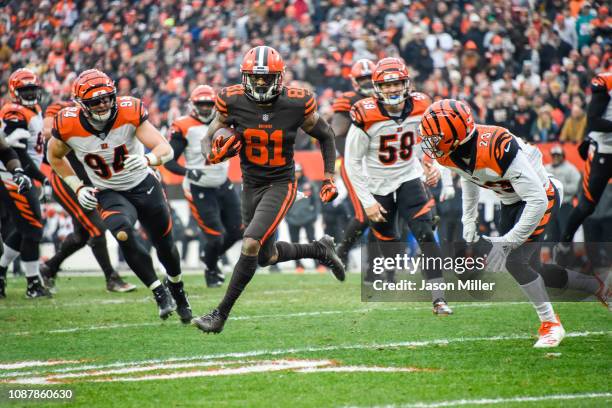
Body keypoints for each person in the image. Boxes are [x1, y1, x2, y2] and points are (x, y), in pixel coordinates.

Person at [418, 99, 609, 347]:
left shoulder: (497, 146)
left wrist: (510, 240)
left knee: (514, 261)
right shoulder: (450, 153)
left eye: (434, 136)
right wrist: (469, 218)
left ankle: (550, 324)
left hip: (541, 194)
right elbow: (468, 177)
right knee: (534, 271)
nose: (428, 142)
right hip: (510, 201)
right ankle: (597, 287)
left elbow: (538, 200)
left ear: (454, 136)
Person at [192, 46, 344, 334]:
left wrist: (328, 177)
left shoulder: (297, 103)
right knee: (265, 256)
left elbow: (325, 135)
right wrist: (210, 152)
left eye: (267, 78)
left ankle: (219, 315)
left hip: (281, 182)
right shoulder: (231, 99)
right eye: (255, 78)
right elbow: (209, 134)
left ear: (280, 77)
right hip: (251, 184)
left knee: (250, 242)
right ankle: (319, 249)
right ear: (246, 76)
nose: (260, 83)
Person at [46, 69, 192, 322]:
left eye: (107, 98)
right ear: (81, 105)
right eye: (95, 101)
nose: (103, 105)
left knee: (165, 245)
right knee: (122, 231)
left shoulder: (129, 111)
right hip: (108, 190)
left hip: (143, 184)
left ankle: (177, 288)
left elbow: (165, 149)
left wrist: (149, 159)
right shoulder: (67, 124)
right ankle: (158, 291)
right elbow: (54, 157)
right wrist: (78, 187)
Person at [344, 57, 455, 315]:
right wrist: (367, 201)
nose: (392, 89)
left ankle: (439, 298)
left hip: (409, 177)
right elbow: (352, 162)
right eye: (386, 84)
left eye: (397, 84)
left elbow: (431, 138)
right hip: (377, 184)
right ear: (377, 87)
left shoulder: (421, 104)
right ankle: (380, 278)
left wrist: (431, 162)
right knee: (390, 245)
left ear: (407, 84)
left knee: (425, 233)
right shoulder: (365, 114)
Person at [40, 99, 136, 293]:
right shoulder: (63, 109)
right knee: (97, 228)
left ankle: (48, 268)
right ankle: (112, 277)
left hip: (89, 180)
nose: (99, 105)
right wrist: (73, 126)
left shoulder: (105, 113)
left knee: (81, 236)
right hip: (68, 180)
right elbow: (48, 132)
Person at [165, 85, 242, 288]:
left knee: (237, 231)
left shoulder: (226, 122)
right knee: (215, 237)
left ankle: (209, 257)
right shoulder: (184, 125)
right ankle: (210, 269)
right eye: (202, 104)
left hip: (223, 183)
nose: (206, 108)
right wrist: (188, 172)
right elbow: (168, 160)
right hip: (198, 187)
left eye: (210, 104)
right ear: (193, 104)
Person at [0, 68, 49, 298]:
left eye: (32, 89)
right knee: (33, 228)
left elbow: (36, 148)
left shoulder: (34, 110)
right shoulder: (14, 112)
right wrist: (42, 177)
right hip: (12, 177)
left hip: (24, 175)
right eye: (25, 89)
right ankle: (32, 284)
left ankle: (0, 273)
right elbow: (16, 151)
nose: (30, 93)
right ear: (14, 91)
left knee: (24, 229)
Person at [557, 72, 612, 261]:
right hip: (603, 151)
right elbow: (594, 120)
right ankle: (564, 242)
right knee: (588, 205)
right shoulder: (606, 83)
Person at [330, 59, 377, 266]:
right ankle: (341, 252)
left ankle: (380, 262)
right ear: (354, 81)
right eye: (362, 79)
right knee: (363, 215)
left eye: (370, 77)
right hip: (355, 162)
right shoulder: (348, 100)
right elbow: (337, 134)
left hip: (380, 162)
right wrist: (353, 159)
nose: (367, 82)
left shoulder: (385, 99)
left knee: (384, 214)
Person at [285, 163, 320, 273]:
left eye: (298, 171)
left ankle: (318, 265)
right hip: (292, 219)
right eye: (295, 171)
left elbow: (316, 201)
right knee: (294, 243)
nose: (297, 174)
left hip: (308, 218)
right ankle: (298, 265)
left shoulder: (309, 184)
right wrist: (287, 217)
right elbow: (283, 203)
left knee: (312, 241)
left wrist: (315, 215)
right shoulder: (287, 185)